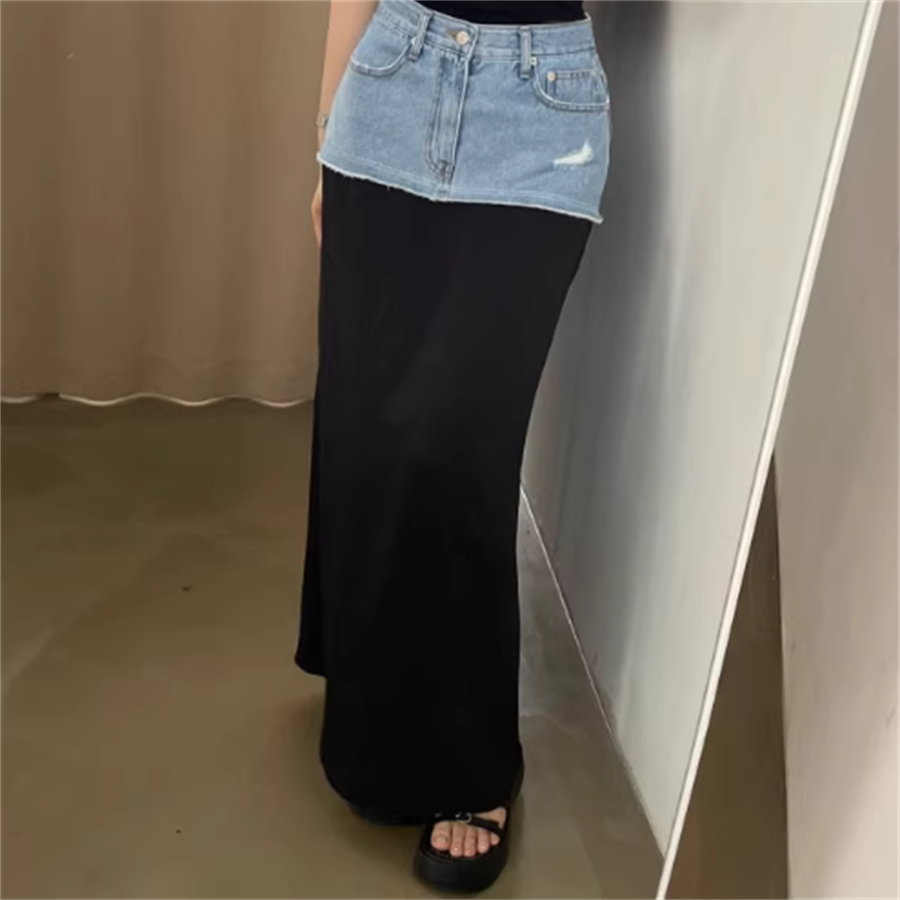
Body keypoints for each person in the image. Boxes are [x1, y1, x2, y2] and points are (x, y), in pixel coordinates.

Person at [297, 0, 609, 892]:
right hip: (392, 81)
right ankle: (357, 656)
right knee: (365, 418)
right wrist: (329, 132)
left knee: (460, 445)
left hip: (543, 111)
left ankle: (470, 766)